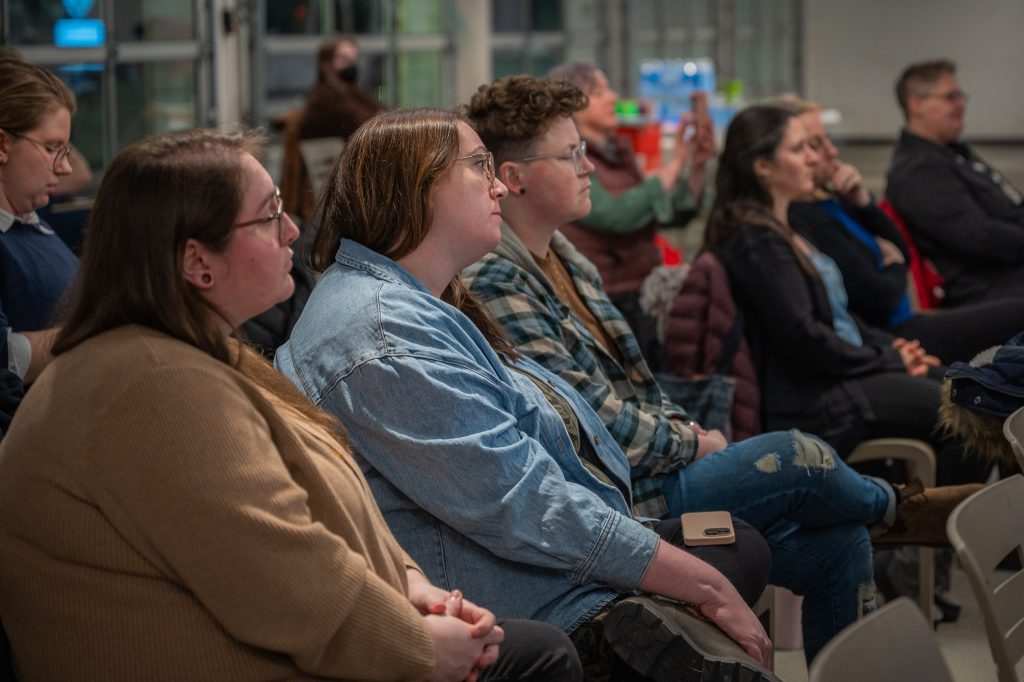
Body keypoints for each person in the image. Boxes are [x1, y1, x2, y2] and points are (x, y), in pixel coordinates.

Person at [0, 128, 583, 682]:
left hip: (277, 644)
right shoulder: (150, 387)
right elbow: (274, 575)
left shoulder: (192, 354)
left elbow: (312, 510)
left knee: (537, 646)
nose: (291, 232)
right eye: (268, 216)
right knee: (542, 654)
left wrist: (412, 587)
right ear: (197, 262)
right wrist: (418, 645)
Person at [460, 74, 978, 662]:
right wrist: (690, 444)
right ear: (515, 178)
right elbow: (582, 428)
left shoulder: (566, 257)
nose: (589, 167)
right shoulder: (497, 281)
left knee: (840, 543)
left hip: (656, 465)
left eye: (584, 150)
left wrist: (687, 432)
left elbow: (640, 384)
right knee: (797, 454)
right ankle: (898, 509)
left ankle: (879, 531)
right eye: (571, 154)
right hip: (619, 501)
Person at [277, 107, 780, 682]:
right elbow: (524, 505)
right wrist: (699, 583)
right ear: (417, 186)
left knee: (739, 545)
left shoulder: (411, 300)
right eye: (479, 166)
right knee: (769, 498)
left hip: (534, 551)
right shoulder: (385, 336)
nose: (498, 187)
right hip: (525, 591)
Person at [704, 104, 992, 491]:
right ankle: (929, 524)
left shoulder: (781, 227)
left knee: (978, 391)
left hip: (841, 374)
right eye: (799, 149)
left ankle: (926, 518)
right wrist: (888, 359)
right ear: (763, 166)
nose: (813, 158)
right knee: (974, 413)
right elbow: (805, 339)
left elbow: (838, 316)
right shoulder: (756, 241)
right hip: (816, 398)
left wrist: (893, 350)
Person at [788, 100, 1024, 365]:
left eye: (827, 140)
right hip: (893, 334)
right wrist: (895, 265)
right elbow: (880, 295)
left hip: (905, 321)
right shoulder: (807, 216)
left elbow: (900, 249)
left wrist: (864, 202)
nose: (831, 151)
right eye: (814, 145)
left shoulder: (835, 199)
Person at [546, 61, 716, 364]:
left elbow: (667, 213)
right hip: (606, 300)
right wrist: (676, 162)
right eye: (599, 92)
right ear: (571, 105)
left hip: (640, 295)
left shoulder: (618, 153)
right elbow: (617, 216)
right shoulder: (568, 160)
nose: (613, 97)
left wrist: (697, 165)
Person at [886, 58, 1024, 307]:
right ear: (916, 104)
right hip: (987, 288)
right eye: (950, 97)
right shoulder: (918, 171)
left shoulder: (950, 151)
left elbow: (1006, 206)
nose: (961, 105)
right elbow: (979, 237)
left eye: (961, 97)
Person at [0, 57, 78, 401]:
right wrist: (92, 333)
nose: (66, 168)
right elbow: (4, 355)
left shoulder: (31, 221)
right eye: (51, 149)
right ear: (3, 145)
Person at [280, 36, 385, 219]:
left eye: (354, 59)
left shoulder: (349, 91)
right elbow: (366, 122)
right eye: (344, 59)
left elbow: (381, 113)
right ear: (325, 65)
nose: (351, 65)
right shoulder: (323, 100)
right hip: (339, 183)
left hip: (351, 174)